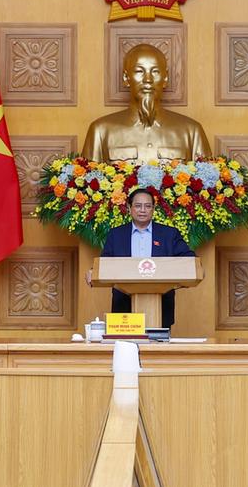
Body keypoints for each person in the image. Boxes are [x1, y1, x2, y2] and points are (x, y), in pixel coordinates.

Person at [81, 44, 210, 162]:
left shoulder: (192, 132)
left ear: (165, 78)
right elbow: (88, 176)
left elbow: (207, 177)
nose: (148, 79)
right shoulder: (100, 131)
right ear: (126, 78)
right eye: (139, 71)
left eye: (155, 71)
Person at [95, 188, 193, 329]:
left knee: (158, 343)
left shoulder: (169, 234)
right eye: (138, 206)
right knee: (126, 343)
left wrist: (196, 268)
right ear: (129, 208)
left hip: (162, 305)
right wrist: (93, 271)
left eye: (147, 206)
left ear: (153, 209)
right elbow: (105, 262)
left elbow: (188, 259)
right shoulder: (116, 234)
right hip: (124, 306)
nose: (143, 210)